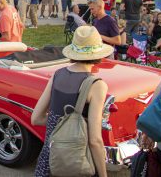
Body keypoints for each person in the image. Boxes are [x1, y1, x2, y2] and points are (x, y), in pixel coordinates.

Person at [31, 26, 111, 177]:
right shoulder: (96, 85)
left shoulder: (57, 74)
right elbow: (95, 140)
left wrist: (61, 125)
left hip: (50, 159)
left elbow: (36, 118)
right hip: (76, 162)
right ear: (98, 53)